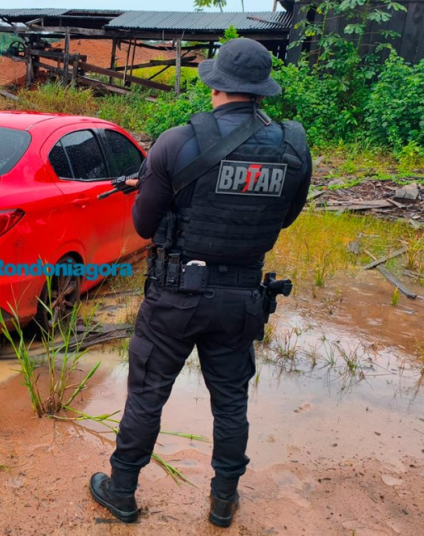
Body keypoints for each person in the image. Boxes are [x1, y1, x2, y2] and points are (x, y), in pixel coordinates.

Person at [89, 38, 312, 528]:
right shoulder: (293, 144)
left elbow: (144, 226)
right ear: (262, 91)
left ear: (215, 86)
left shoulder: (175, 141)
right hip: (242, 299)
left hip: (175, 297)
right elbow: (286, 216)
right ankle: (223, 502)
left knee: (147, 395)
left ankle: (121, 492)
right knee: (231, 402)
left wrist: (154, 190)